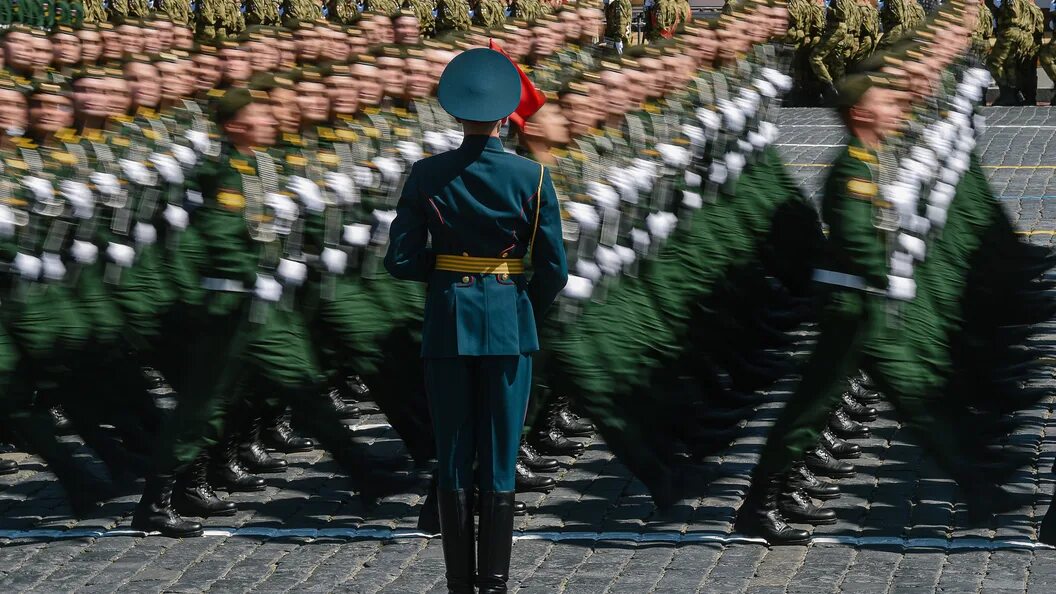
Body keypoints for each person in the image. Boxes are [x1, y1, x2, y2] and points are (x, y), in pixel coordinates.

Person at [385, 48, 567, 594]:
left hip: (447, 323)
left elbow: (399, 260)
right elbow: (554, 267)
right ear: (505, 114)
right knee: (502, 457)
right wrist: (519, 307)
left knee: (455, 453)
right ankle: (495, 583)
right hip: (509, 319)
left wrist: (444, 275)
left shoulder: (426, 175)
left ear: (456, 111)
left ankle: (460, 583)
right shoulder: (530, 177)